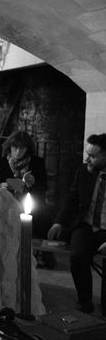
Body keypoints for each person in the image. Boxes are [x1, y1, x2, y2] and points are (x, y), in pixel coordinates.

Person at [48, 134, 106, 314]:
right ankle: (85, 302)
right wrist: (58, 222)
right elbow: (71, 198)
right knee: (77, 257)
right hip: (87, 225)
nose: (88, 158)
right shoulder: (83, 171)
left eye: (93, 156)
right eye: (87, 154)